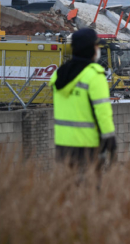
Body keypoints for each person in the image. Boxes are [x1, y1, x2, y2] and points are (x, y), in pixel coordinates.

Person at [50, 28, 117, 168]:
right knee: (89, 181)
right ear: (90, 48)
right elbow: (103, 113)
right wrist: (110, 141)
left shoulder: (59, 75)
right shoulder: (94, 75)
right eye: (96, 45)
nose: (98, 49)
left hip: (62, 145)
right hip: (87, 145)